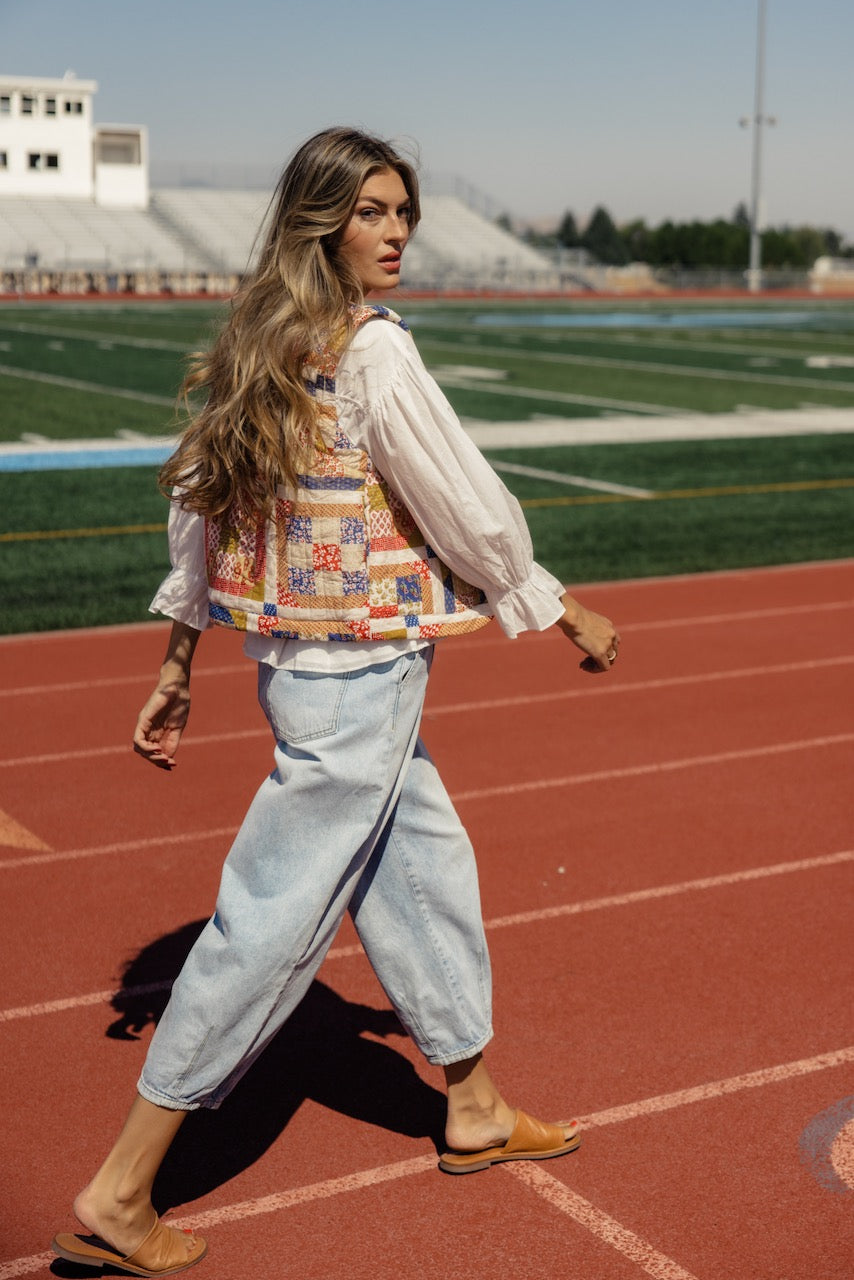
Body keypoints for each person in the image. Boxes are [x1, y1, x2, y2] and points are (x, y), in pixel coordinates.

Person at [53, 126, 619, 1277]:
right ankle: (121, 1188)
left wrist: (177, 660)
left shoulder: (263, 334)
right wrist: (555, 602)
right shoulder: (370, 351)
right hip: (357, 674)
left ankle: (470, 1101)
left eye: (403, 210)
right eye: (372, 211)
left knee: (422, 867)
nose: (397, 230)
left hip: (307, 666)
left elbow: (199, 505)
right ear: (321, 220)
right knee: (273, 922)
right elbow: (460, 493)